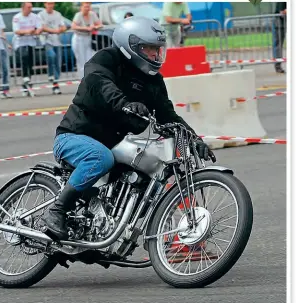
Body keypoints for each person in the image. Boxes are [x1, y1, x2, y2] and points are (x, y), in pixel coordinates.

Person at [42, 16, 215, 240]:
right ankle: (57, 211)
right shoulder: (106, 60)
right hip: (75, 136)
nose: (155, 54)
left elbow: (168, 115)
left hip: (113, 145)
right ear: (130, 45)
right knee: (100, 158)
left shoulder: (153, 81)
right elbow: (100, 83)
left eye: (158, 49)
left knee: (141, 173)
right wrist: (124, 104)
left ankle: (110, 227)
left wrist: (194, 140)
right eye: (149, 48)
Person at [12, 2, 42, 93]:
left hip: (31, 42)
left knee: (31, 63)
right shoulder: (17, 17)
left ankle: (28, 81)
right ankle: (25, 77)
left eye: (31, 7)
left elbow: (39, 27)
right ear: (23, 8)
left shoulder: (34, 16)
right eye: (29, 7)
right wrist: (28, 31)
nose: (30, 9)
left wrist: (37, 31)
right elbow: (17, 31)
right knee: (24, 56)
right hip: (20, 43)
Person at [38, 2, 67, 94]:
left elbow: (63, 26)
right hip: (47, 40)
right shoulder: (41, 15)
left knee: (58, 63)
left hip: (57, 41)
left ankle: (56, 83)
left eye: (52, 3)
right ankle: (51, 75)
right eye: (49, 3)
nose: (51, 5)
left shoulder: (57, 14)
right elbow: (42, 27)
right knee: (51, 56)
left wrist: (61, 29)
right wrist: (54, 31)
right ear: (45, 4)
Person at [71, 2, 103, 79]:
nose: (87, 9)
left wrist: (95, 27)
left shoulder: (92, 14)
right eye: (85, 7)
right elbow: (73, 26)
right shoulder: (78, 15)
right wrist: (86, 28)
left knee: (89, 58)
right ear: (81, 7)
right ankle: (82, 79)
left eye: (88, 7)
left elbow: (100, 24)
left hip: (88, 38)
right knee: (81, 60)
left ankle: (89, 77)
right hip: (79, 38)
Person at [273, 2, 287, 73]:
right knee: (278, 45)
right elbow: (282, 13)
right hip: (280, 24)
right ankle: (277, 65)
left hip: (286, 23)